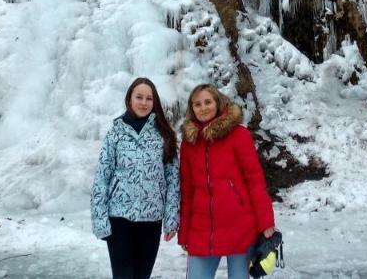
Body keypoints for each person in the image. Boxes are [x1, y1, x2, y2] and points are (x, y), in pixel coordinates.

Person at [178, 84, 276, 279]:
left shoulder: (239, 135)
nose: (203, 108)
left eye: (208, 102)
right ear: (192, 108)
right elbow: (187, 192)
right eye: (197, 104)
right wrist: (184, 231)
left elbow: (255, 181)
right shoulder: (189, 143)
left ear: (218, 102)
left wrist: (266, 222)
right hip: (202, 229)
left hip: (240, 227)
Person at [91, 77, 180, 279]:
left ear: (154, 102)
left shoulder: (164, 134)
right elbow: (102, 177)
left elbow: (173, 180)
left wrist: (171, 218)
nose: (143, 102)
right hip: (120, 219)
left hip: (151, 220)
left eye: (149, 98)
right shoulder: (116, 132)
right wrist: (99, 218)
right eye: (139, 97)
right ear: (129, 99)